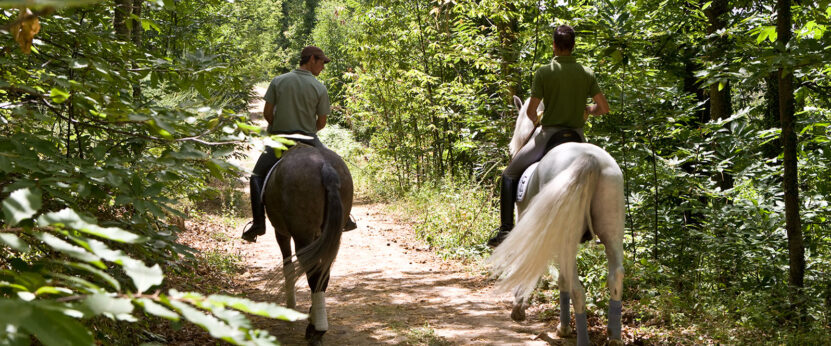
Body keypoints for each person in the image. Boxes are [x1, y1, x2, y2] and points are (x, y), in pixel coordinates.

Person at [487, 25, 610, 247]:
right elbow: (603, 107)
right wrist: (588, 110)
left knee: (509, 174)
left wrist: (539, 118)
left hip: (548, 135)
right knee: (599, 174)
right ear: (573, 46)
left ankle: (505, 230)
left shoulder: (544, 72)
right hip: (578, 136)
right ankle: (596, 227)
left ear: (554, 46)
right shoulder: (586, 73)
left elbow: (531, 112)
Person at [242, 45, 355, 242]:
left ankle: (258, 224)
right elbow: (321, 122)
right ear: (311, 59)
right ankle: (345, 219)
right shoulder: (319, 87)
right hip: (309, 140)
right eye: (322, 62)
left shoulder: (278, 81)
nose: (323, 67)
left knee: (257, 176)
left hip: (280, 141)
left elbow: (267, 113)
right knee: (337, 168)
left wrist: (278, 127)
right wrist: (306, 129)